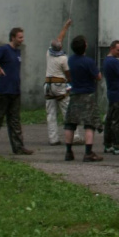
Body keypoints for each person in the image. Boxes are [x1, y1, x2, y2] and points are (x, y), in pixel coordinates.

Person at [0, 28, 33, 155]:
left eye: (22, 37)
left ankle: (18, 147)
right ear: (13, 37)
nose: (22, 39)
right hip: (4, 90)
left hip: (15, 90)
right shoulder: (4, 49)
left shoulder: (17, 52)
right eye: (20, 37)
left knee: (14, 120)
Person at [63, 35, 102, 163]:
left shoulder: (70, 61)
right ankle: (88, 152)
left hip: (74, 94)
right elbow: (98, 76)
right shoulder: (88, 62)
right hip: (87, 95)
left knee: (70, 123)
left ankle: (68, 152)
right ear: (85, 46)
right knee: (89, 124)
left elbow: (67, 75)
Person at [44, 17, 73, 146]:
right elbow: (68, 74)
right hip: (59, 84)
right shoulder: (63, 58)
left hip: (47, 85)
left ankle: (53, 138)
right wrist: (71, 82)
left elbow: (59, 38)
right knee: (67, 110)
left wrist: (65, 27)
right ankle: (74, 136)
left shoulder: (48, 53)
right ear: (60, 48)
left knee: (51, 113)